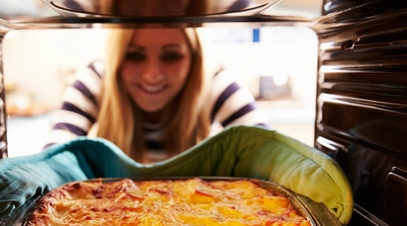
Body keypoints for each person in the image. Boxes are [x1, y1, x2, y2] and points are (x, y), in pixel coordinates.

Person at [46, 26, 268, 163]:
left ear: (194, 58)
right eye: (134, 56)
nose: (152, 75)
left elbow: (267, 151)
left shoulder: (214, 82)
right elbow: (55, 156)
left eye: (171, 56)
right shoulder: (97, 80)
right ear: (116, 59)